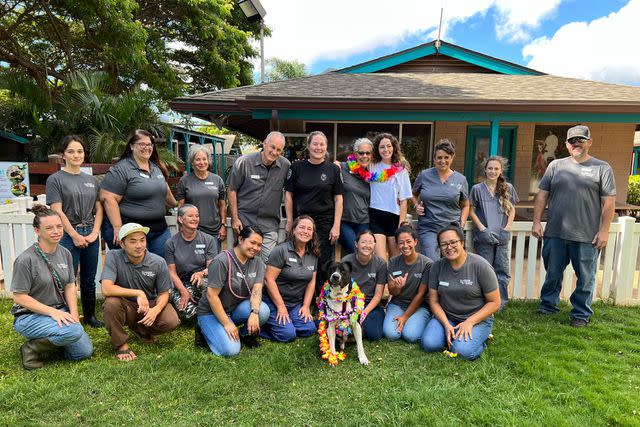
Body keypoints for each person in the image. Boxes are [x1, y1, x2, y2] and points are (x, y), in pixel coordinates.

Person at [532, 125, 616, 327]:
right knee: (552, 273)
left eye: (581, 139)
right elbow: (542, 195)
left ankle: (580, 313)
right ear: (566, 145)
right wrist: (536, 221)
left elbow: (609, 203)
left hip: (587, 236)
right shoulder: (556, 166)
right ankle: (548, 306)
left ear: (590, 142)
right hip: (555, 232)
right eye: (572, 140)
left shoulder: (602, 168)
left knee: (586, 277)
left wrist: (604, 230)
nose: (576, 143)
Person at [10, 205, 93, 370]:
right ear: (37, 231)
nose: (56, 231)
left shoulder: (65, 253)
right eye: (49, 228)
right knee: (74, 332)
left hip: (59, 311)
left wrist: (74, 314)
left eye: (59, 226)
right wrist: (53, 313)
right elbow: (19, 297)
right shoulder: (26, 260)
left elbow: (70, 285)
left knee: (83, 352)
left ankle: (57, 339)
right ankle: (31, 348)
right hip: (30, 317)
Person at [46, 135, 104, 327]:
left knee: (89, 278)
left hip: (91, 233)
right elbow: (57, 210)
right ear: (63, 155)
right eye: (71, 151)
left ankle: (89, 317)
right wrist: (74, 235)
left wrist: (95, 232)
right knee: (67, 278)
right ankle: (68, 316)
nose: (76, 155)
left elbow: (99, 209)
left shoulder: (92, 180)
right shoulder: (55, 180)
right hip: (67, 234)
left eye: (79, 151)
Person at [101, 223, 180, 361]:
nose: (139, 245)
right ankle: (121, 344)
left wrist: (155, 309)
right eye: (133, 241)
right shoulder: (113, 256)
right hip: (124, 305)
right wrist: (138, 293)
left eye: (142, 240)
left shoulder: (158, 262)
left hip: (148, 305)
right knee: (111, 303)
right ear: (122, 243)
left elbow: (164, 293)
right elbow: (106, 288)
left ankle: (141, 329)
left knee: (171, 320)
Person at [421, 226, 501, 360]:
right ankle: (454, 333)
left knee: (460, 351)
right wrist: (446, 324)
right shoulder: (436, 267)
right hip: (447, 317)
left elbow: (495, 302)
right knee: (429, 344)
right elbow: (433, 301)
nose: (449, 247)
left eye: (453, 242)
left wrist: (469, 322)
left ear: (462, 242)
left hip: (476, 319)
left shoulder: (481, 266)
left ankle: (481, 340)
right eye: (444, 244)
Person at [100, 129, 177, 258]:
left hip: (159, 230)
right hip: (132, 232)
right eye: (142, 144)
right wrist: (118, 228)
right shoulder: (121, 169)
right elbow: (108, 198)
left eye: (150, 144)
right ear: (131, 146)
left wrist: (180, 205)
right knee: (138, 271)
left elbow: (165, 193)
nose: (147, 148)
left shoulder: (156, 167)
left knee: (162, 266)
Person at [196, 225, 270, 356]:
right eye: (252, 242)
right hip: (211, 312)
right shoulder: (222, 260)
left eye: (259, 245)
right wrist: (226, 324)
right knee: (230, 350)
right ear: (241, 239)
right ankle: (203, 330)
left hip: (234, 309)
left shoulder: (258, 263)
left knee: (263, 311)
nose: (256, 248)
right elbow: (211, 295)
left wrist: (254, 312)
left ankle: (244, 334)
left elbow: (257, 290)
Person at [285, 131, 343, 290]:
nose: (319, 147)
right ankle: (300, 300)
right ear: (308, 146)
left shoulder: (333, 169)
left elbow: (338, 199)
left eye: (322, 144)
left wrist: (336, 225)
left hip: (325, 225)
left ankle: (319, 302)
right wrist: (290, 221)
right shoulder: (296, 167)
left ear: (326, 147)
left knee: (323, 264)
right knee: (299, 262)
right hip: (301, 224)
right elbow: (288, 194)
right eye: (315, 144)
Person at [227, 131, 290, 262]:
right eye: (272, 147)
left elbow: (292, 191)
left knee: (267, 263)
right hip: (244, 223)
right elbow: (232, 190)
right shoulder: (244, 162)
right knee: (242, 261)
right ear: (264, 143)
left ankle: (260, 284)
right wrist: (234, 218)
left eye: (279, 150)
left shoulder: (285, 166)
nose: (274, 152)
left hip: (269, 225)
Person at [469, 156, 519, 309]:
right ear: (485, 169)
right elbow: (471, 210)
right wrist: (482, 227)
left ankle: (501, 303)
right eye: (490, 168)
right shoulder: (477, 189)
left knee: (502, 270)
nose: (493, 171)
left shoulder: (507, 187)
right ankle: (483, 302)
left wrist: (508, 226)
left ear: (501, 170)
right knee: (485, 270)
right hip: (484, 236)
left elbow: (512, 209)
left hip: (502, 235)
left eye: (496, 168)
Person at [260, 215, 319, 342]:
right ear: (294, 230)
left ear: (313, 234)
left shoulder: (313, 254)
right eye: (302, 227)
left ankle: (286, 323)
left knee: (310, 329)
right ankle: (262, 326)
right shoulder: (281, 250)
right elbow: (268, 279)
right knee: (288, 335)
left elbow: (311, 282)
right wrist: (281, 307)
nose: (305, 231)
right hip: (274, 302)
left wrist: (306, 306)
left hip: (294, 304)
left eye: (309, 229)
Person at [413, 139, 469, 260]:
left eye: (446, 157)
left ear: (452, 157)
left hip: (451, 228)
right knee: (432, 261)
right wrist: (416, 206)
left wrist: (462, 223)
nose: (442, 161)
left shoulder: (461, 179)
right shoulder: (424, 175)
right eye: (439, 157)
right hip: (429, 228)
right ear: (434, 158)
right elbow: (413, 194)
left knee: (453, 261)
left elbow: (466, 205)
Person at [165, 204, 217, 321]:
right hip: (181, 283)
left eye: (197, 216)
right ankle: (203, 307)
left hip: (202, 280)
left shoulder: (208, 239)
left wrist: (201, 273)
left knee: (205, 285)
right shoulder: (171, 243)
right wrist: (183, 292)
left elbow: (212, 267)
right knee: (187, 314)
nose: (195, 219)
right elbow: (171, 273)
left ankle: (209, 306)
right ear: (180, 219)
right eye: (190, 216)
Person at [383, 224, 432, 343]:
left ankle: (422, 320)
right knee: (391, 334)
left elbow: (421, 294)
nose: (405, 246)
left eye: (408, 241)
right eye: (401, 242)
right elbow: (392, 291)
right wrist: (397, 287)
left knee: (410, 336)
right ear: (397, 244)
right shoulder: (393, 263)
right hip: (398, 303)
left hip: (419, 306)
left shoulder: (427, 264)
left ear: (415, 242)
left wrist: (405, 317)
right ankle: (406, 321)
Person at [368, 133, 412, 260]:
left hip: (394, 216)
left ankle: (394, 280)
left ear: (394, 147)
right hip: (376, 214)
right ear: (377, 149)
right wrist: (338, 163)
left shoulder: (401, 169)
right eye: (382, 147)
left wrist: (401, 223)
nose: (386, 150)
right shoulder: (372, 165)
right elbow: (355, 160)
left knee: (395, 258)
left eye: (389, 146)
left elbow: (404, 200)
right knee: (381, 258)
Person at [176, 145, 226, 252]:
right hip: (192, 230)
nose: (202, 162)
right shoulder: (184, 181)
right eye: (197, 159)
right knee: (193, 263)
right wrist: (181, 225)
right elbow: (181, 206)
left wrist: (223, 225)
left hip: (214, 230)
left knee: (213, 263)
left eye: (204, 159)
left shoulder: (218, 180)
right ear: (192, 162)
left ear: (209, 160)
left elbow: (222, 205)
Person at [340, 230, 387, 340]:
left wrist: (364, 312)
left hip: (370, 304)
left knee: (374, 334)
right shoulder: (346, 261)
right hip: (349, 303)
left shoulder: (380, 264)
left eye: (371, 242)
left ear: (375, 245)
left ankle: (357, 328)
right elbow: (341, 289)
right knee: (328, 324)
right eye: (363, 242)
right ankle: (354, 328)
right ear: (356, 244)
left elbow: (378, 295)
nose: (367, 245)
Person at [338, 138, 373, 254]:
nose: (364, 156)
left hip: (364, 222)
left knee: (365, 253)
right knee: (356, 252)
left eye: (368, 153)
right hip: (345, 221)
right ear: (355, 154)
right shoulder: (343, 168)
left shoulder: (373, 175)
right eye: (361, 153)